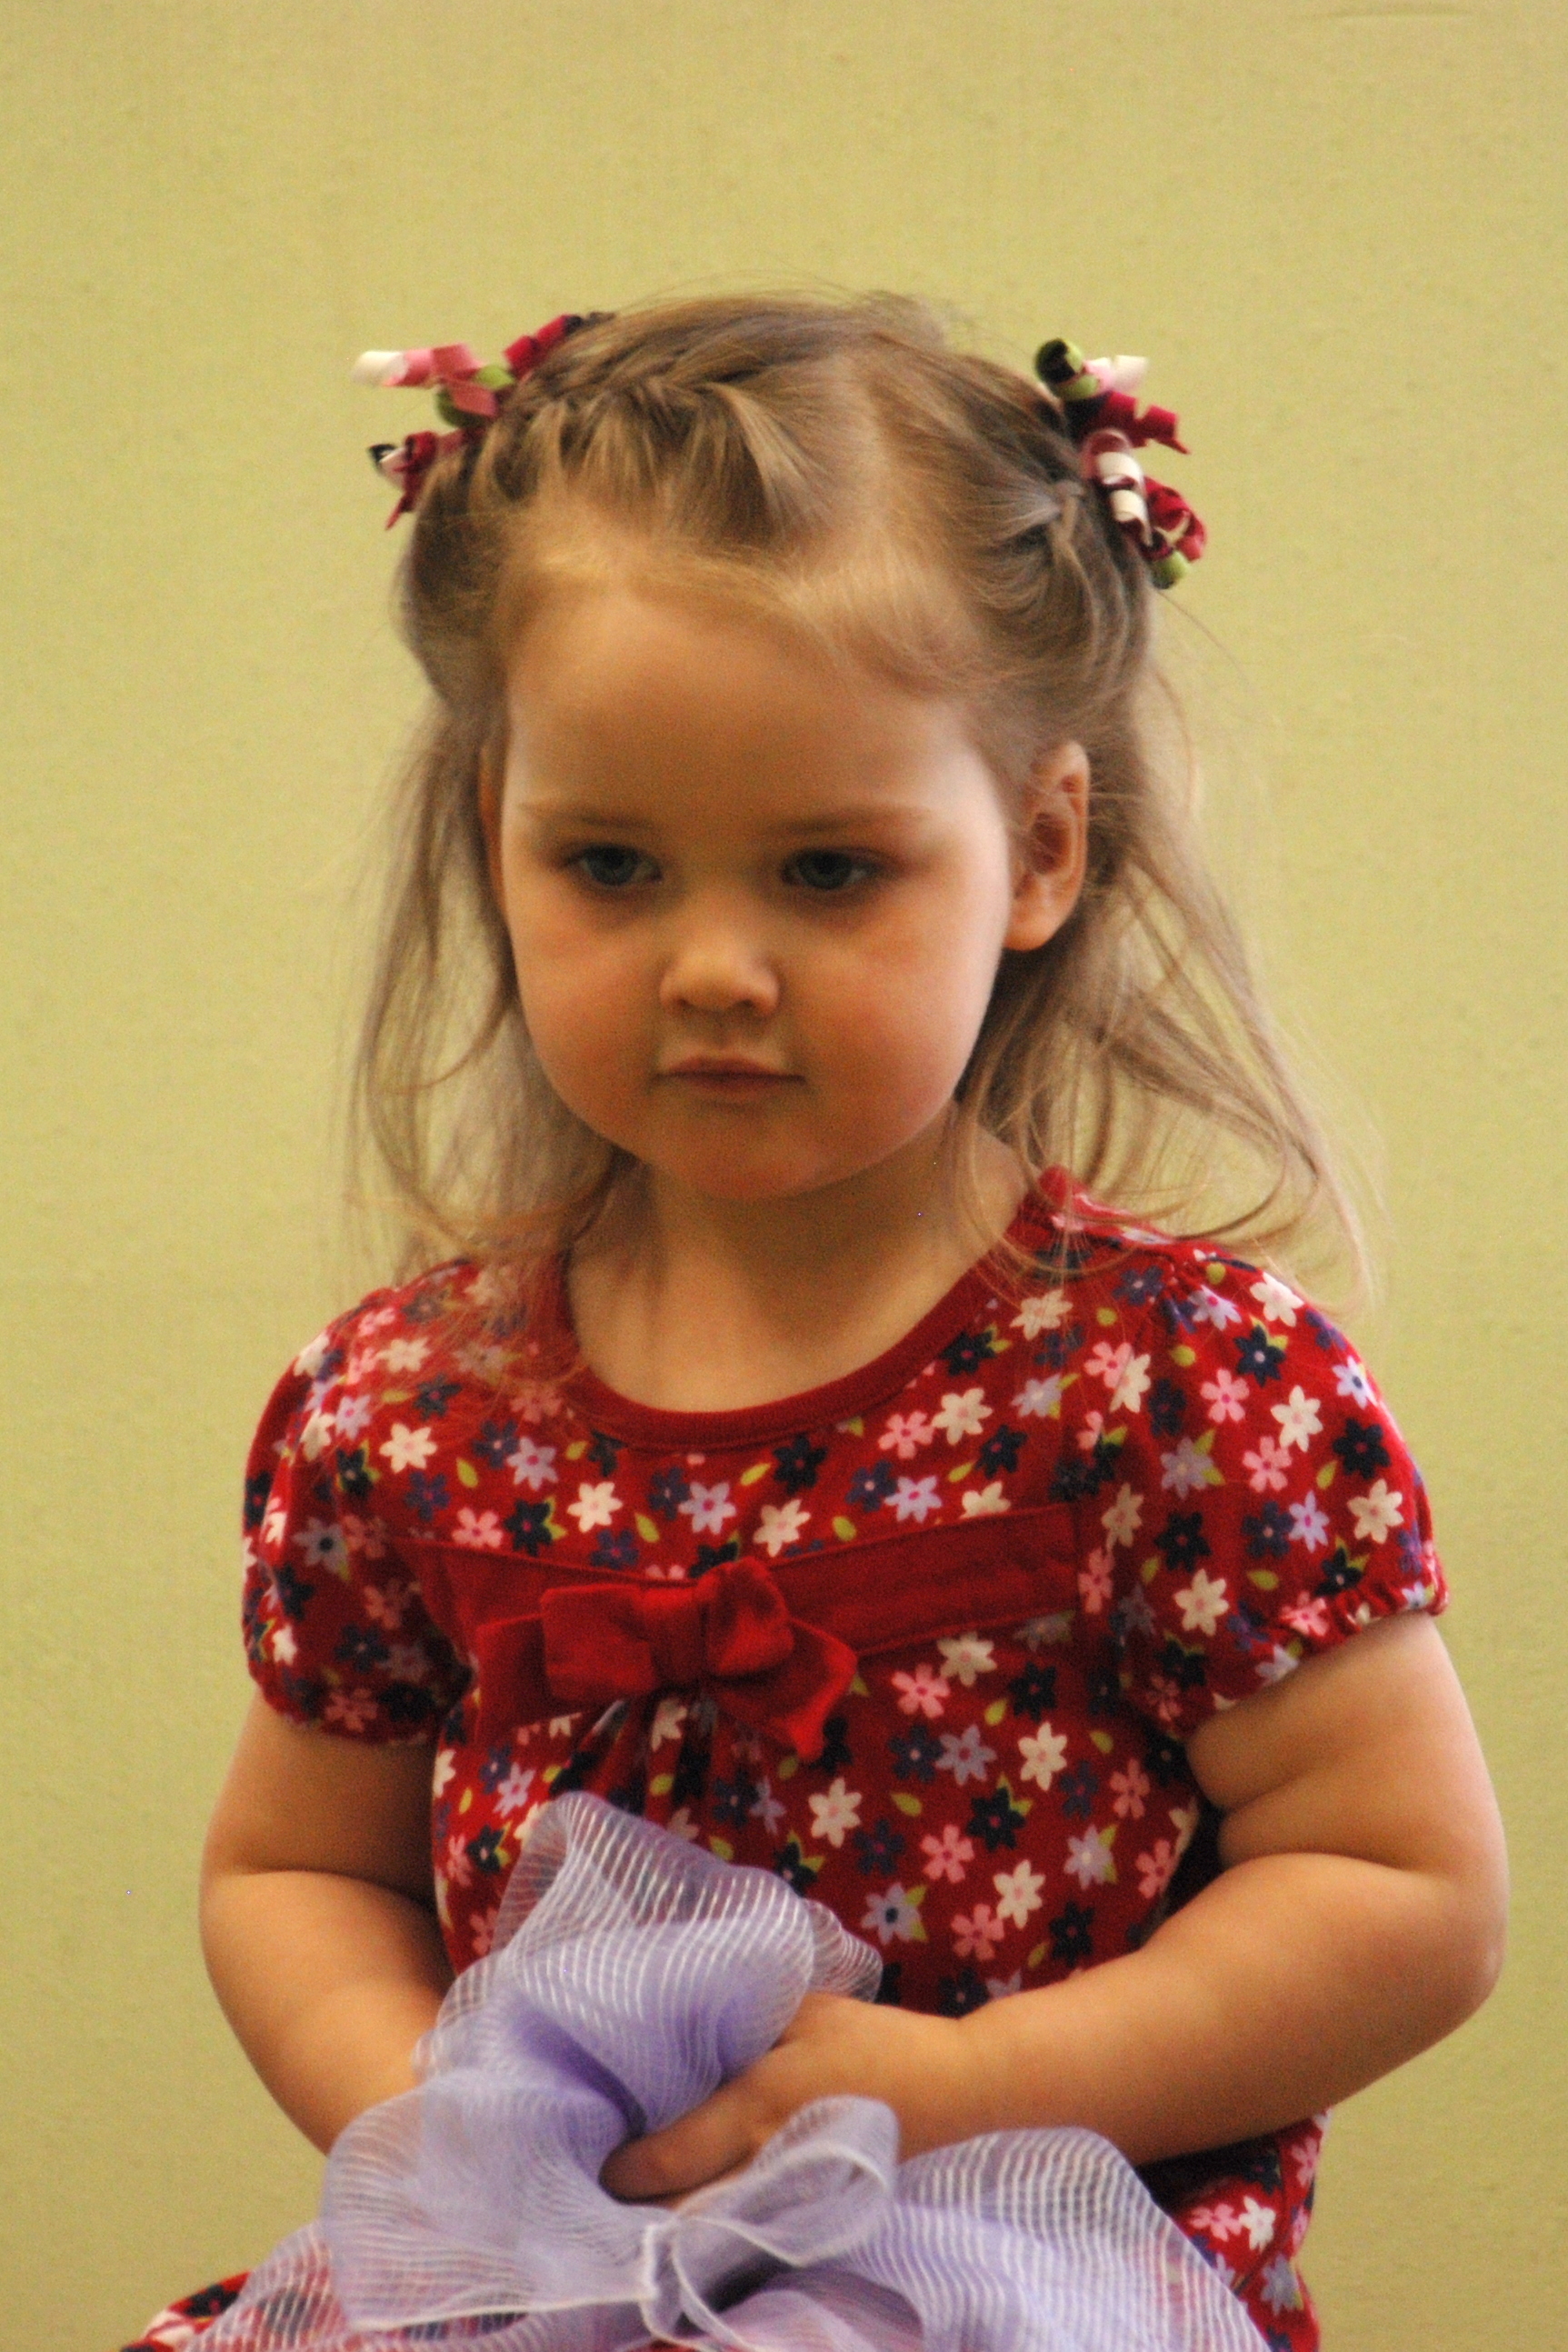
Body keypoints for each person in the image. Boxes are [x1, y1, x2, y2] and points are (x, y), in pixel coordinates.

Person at [125, 295, 1506, 2352]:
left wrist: (952, 2088)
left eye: (828, 871)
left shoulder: (1175, 1384)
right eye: (610, 863)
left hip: (1014, 2287)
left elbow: (1403, 1893)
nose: (713, 967)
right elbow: (297, 1874)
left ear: (1037, 848)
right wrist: (444, 2143)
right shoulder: (407, 1410)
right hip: (548, 2290)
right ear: (493, 837)